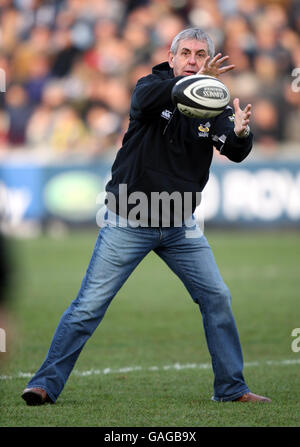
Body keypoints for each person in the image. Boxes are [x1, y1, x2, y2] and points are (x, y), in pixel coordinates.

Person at [22, 27, 271, 405]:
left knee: (217, 297)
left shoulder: (216, 103)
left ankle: (231, 389)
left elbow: (234, 151)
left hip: (180, 224)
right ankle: (44, 384)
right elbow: (145, 100)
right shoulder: (151, 86)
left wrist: (239, 133)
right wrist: (199, 82)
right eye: (185, 53)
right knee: (89, 306)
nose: (192, 60)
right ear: (170, 58)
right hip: (129, 218)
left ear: (209, 60)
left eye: (200, 55)